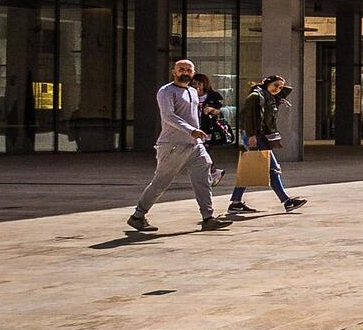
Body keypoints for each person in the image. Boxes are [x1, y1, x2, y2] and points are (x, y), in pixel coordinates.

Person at [128, 59, 232, 233]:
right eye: (181, 69)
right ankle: (137, 216)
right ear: (174, 72)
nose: (185, 72)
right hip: (173, 145)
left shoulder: (192, 91)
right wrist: (191, 130)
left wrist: (198, 134)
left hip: (195, 145)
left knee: (203, 179)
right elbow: (168, 116)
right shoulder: (166, 91)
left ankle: (208, 218)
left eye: (188, 70)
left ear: (193, 72)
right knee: (160, 182)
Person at [227, 75, 307, 214]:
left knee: (250, 169)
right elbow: (249, 118)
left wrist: (279, 89)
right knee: (273, 169)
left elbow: (283, 93)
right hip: (255, 137)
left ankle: (236, 202)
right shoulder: (255, 96)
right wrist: (251, 136)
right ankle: (287, 201)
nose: (278, 89)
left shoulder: (268, 97)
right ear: (267, 83)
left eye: (280, 87)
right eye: (276, 85)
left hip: (261, 136)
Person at [193, 73, 232, 147]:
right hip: (194, 128)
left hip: (210, 128)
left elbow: (222, 111)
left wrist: (212, 110)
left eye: (199, 83)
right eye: (194, 83)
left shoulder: (214, 96)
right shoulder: (189, 95)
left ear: (205, 83)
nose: (197, 86)